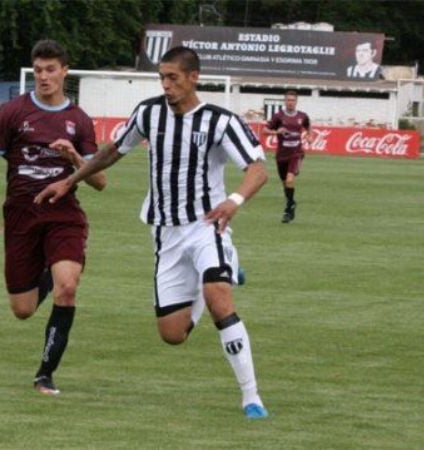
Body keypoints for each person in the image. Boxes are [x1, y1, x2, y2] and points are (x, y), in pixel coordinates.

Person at [34, 46, 270, 419]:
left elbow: (257, 169)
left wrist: (235, 200)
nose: (166, 85)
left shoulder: (220, 121)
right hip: (165, 234)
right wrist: (69, 181)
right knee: (172, 334)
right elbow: (113, 151)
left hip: (207, 225)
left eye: (173, 77)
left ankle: (251, 397)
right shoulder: (149, 113)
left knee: (220, 299)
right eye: (162, 77)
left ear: (194, 78)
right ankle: (214, 277)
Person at [0, 40, 106, 395]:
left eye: (51, 70)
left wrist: (75, 157)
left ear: (65, 71)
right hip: (20, 216)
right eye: (38, 70)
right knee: (23, 309)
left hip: (63, 215)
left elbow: (100, 181)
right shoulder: (14, 112)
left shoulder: (78, 120)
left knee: (68, 288)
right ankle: (51, 271)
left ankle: (45, 374)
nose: (44, 77)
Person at [263, 90, 311, 223]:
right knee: (285, 184)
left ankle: (289, 207)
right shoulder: (278, 116)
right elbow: (265, 131)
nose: (290, 102)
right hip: (281, 155)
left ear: (296, 102)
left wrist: (309, 135)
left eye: (293, 100)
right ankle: (290, 205)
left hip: (296, 153)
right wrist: (276, 131)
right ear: (285, 101)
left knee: (290, 180)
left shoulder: (302, 116)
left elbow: (308, 127)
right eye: (288, 100)